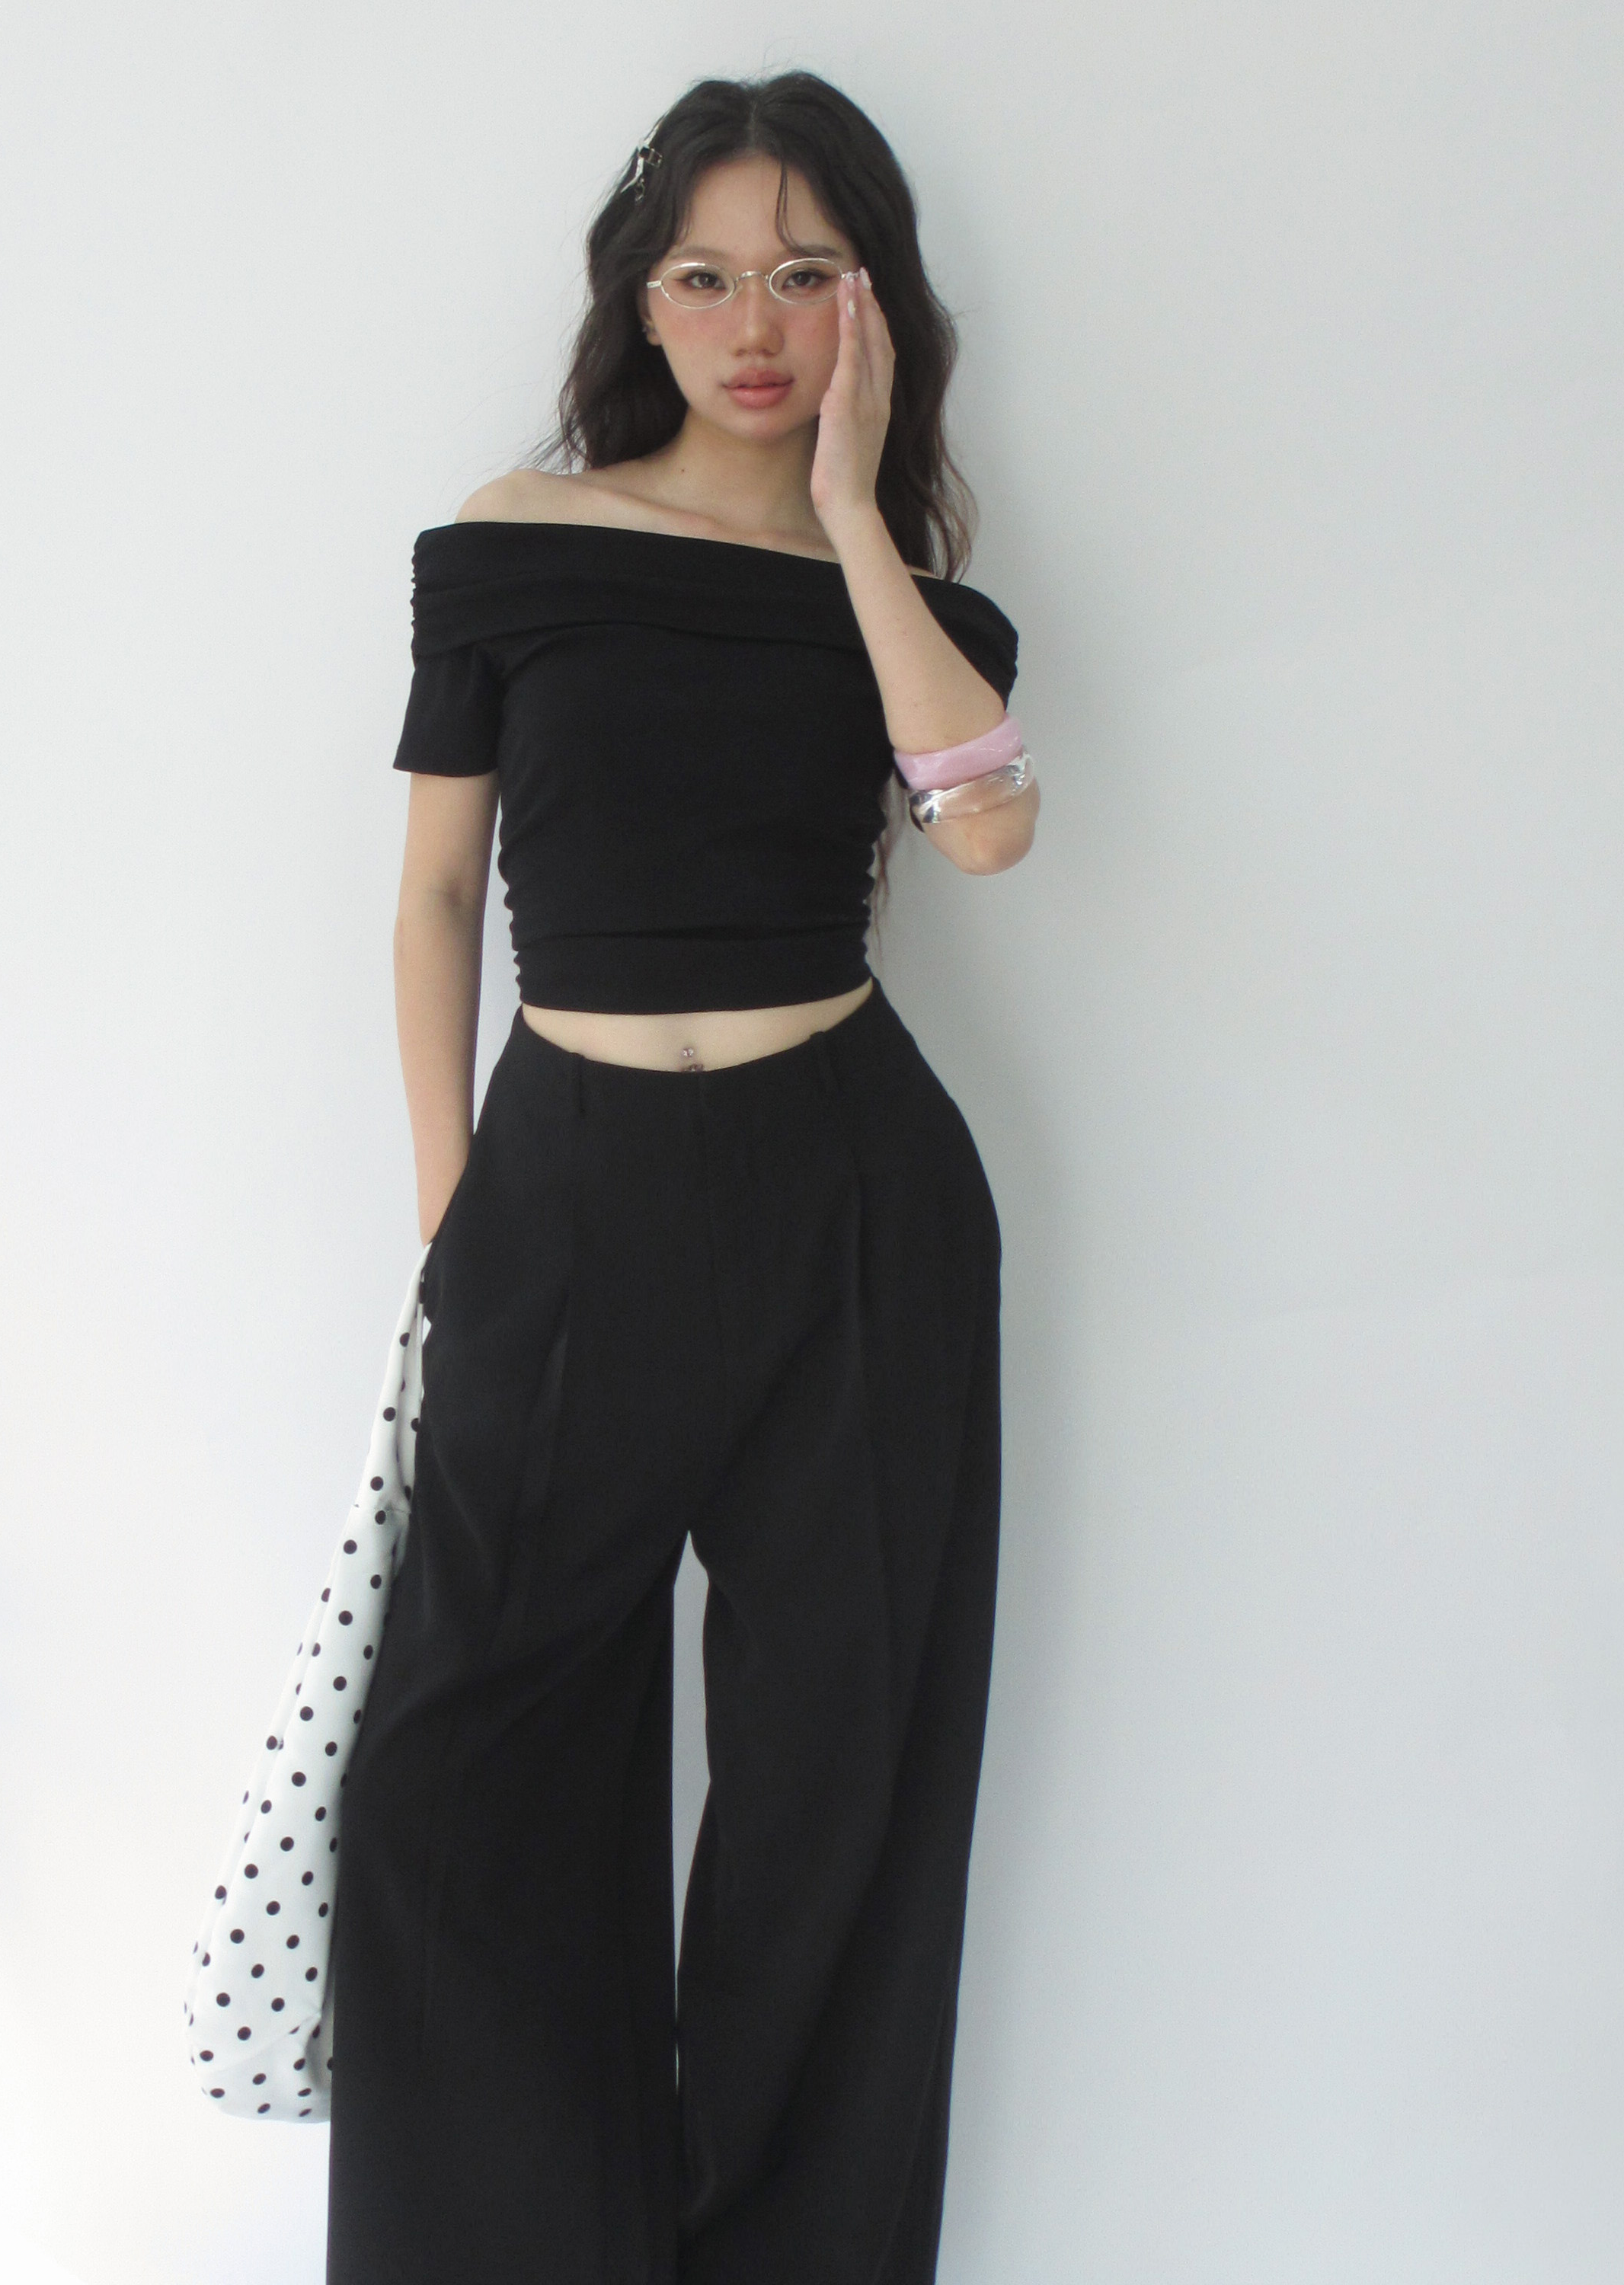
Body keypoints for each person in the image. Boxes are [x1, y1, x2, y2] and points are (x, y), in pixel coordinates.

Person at [326, 68, 1035, 2285]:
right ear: (641, 297)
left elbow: (988, 827)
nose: (752, 322)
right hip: (567, 1186)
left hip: (853, 1203)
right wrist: (456, 1211)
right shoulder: (514, 540)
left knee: (842, 1789)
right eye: (707, 275)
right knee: (460, 1784)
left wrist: (849, 516)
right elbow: (434, 896)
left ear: (873, 310)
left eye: (807, 276)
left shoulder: (912, 603)